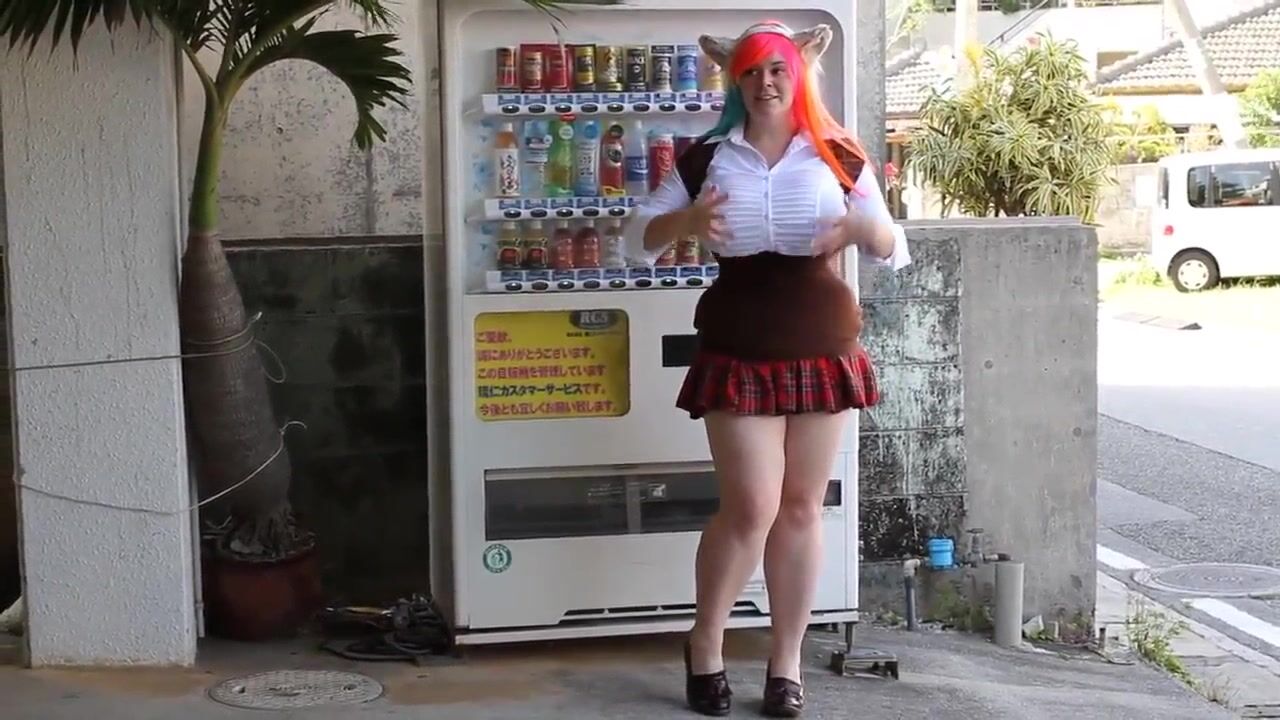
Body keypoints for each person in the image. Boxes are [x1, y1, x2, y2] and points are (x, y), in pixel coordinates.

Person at [622, 21, 911, 718]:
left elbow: (891, 245)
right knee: (751, 507)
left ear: (799, 72)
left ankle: (787, 663)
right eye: (751, 71)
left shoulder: (838, 151)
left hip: (823, 343)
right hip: (738, 346)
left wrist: (859, 228)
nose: (766, 82)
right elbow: (635, 241)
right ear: (736, 80)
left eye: (777, 69)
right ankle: (706, 643)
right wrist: (687, 222)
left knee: (803, 507)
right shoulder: (707, 157)